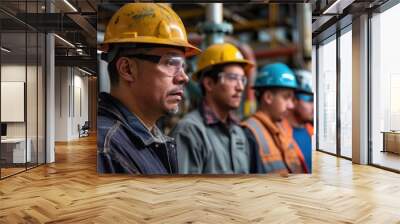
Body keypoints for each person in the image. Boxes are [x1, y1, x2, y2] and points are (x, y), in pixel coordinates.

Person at [97, 3, 201, 174]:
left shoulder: (147, 139)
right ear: (127, 69)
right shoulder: (106, 149)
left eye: (183, 66)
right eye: (170, 63)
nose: (183, 77)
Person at [170, 43, 255, 174]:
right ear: (209, 84)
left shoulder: (238, 132)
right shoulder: (190, 132)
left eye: (242, 80)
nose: (240, 87)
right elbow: (183, 192)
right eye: (232, 78)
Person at [242, 63, 308, 174]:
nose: (291, 105)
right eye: (286, 97)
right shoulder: (249, 133)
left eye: (292, 99)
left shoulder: (284, 129)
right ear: (268, 97)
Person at [282, 69, 314, 173]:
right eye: (310, 101)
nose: (315, 106)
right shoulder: (279, 134)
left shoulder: (313, 132)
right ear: (293, 100)